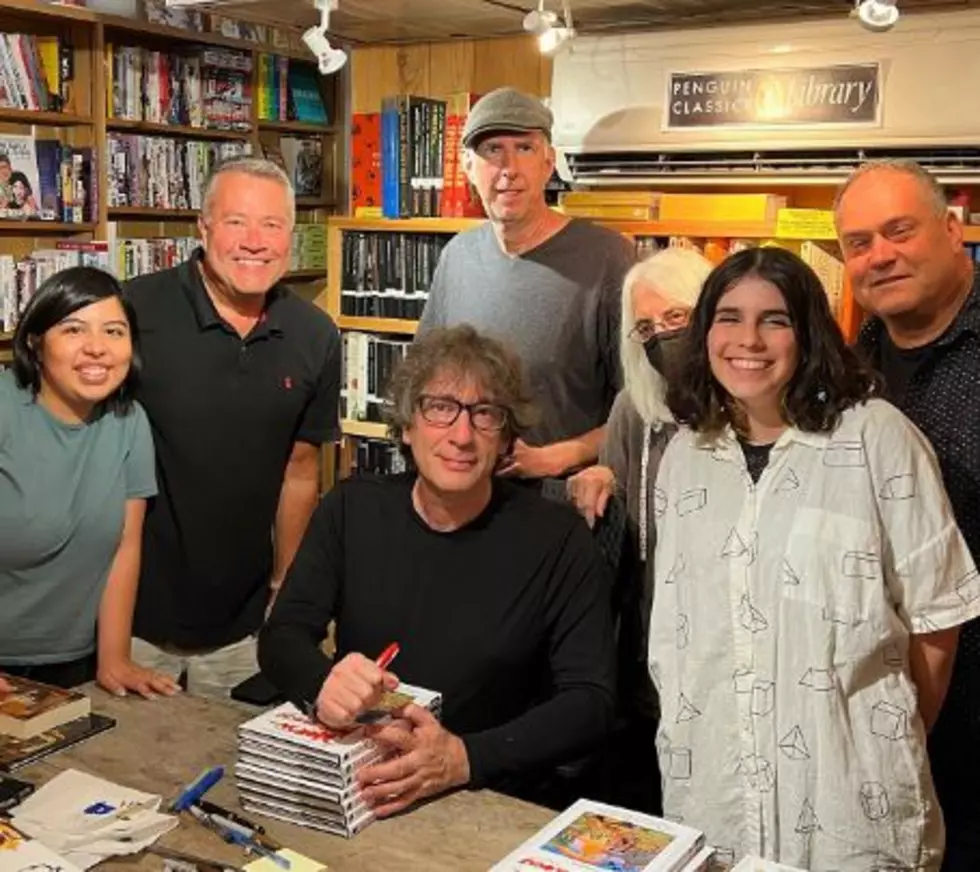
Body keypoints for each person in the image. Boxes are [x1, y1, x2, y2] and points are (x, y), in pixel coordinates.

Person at [649, 246, 980, 870]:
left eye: (775, 319)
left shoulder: (876, 438)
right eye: (729, 316)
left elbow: (938, 617)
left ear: (808, 333)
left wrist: (883, 736)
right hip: (716, 791)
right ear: (704, 332)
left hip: (849, 801)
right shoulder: (687, 457)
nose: (749, 338)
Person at [259, 325, 616, 817]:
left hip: (493, 795)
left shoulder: (558, 539)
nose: (462, 435)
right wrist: (322, 684)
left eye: (485, 414)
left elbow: (590, 701)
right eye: (440, 408)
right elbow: (283, 635)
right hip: (366, 783)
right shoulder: (352, 510)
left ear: (507, 436)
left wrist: (464, 758)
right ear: (407, 425)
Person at [124, 157, 341, 699]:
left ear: (291, 235)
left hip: (243, 633)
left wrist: (283, 596)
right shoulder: (132, 311)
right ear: (203, 227)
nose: (254, 241)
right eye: (236, 221)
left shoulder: (314, 334)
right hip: (125, 625)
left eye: (272, 225)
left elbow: (300, 472)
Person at [835, 158, 980, 872]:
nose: (879, 255)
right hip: (887, 705)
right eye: (859, 243)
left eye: (899, 231)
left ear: (953, 230)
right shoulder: (846, 367)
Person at [417, 87, 635, 480]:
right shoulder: (457, 257)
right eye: (492, 150)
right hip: (465, 498)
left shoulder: (608, 259)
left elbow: (645, 407)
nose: (509, 167)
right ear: (467, 166)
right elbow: (423, 383)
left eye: (525, 148)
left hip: (562, 503)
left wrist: (561, 456)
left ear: (548, 163)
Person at [565, 246, 713, 814]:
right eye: (645, 327)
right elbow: (623, 498)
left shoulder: (751, 408)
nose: (661, 339)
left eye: (677, 318)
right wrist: (601, 478)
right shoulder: (636, 410)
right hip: (647, 664)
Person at [0, 267, 178, 696]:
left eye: (114, 331)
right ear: (34, 342)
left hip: (73, 665)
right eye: (73, 329)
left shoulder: (129, 420)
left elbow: (125, 544)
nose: (97, 348)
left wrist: (114, 657)